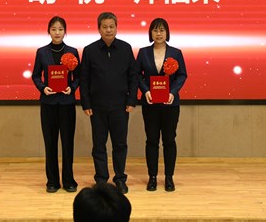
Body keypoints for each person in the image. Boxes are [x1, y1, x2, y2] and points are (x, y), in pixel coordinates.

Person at [80, 12, 139, 194]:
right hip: (97, 107)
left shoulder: (125, 48)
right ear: (98, 29)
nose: (108, 30)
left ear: (116, 28)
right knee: (99, 145)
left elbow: (133, 76)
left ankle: (120, 179)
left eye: (111, 26)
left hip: (121, 106)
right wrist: (86, 103)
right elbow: (84, 79)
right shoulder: (90, 50)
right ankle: (101, 180)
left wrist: (131, 100)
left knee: (120, 144)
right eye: (104, 27)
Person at [136, 18, 187, 192]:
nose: (159, 34)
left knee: (169, 140)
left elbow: (182, 75)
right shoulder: (143, 53)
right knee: (151, 141)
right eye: (155, 30)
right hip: (150, 104)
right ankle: (152, 177)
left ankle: (169, 177)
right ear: (150, 33)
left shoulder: (176, 53)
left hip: (170, 104)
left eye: (162, 30)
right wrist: (145, 90)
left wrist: (172, 92)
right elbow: (137, 75)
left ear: (167, 32)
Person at [31, 16, 80, 193]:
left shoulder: (72, 52)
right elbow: (36, 75)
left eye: (60, 29)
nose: (57, 32)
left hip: (67, 103)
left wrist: (71, 87)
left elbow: (78, 76)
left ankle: (68, 180)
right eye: (54, 29)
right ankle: (52, 180)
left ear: (65, 32)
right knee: (50, 143)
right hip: (48, 103)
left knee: (67, 143)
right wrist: (43, 88)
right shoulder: (41, 52)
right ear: (48, 31)